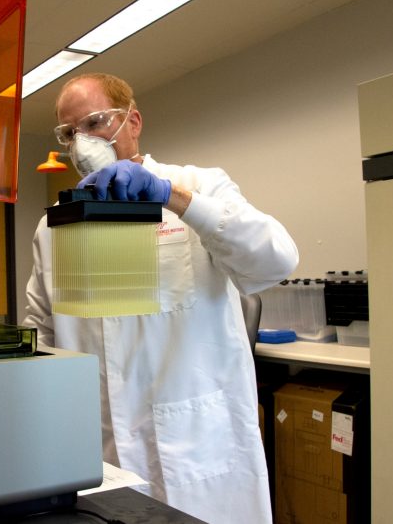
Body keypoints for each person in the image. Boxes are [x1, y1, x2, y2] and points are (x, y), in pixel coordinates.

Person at [23, 73, 298, 524]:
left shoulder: (198, 185)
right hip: (101, 447)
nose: (81, 141)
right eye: (69, 133)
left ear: (133, 121)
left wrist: (174, 198)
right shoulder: (53, 226)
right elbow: (41, 335)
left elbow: (275, 261)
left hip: (197, 445)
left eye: (94, 122)